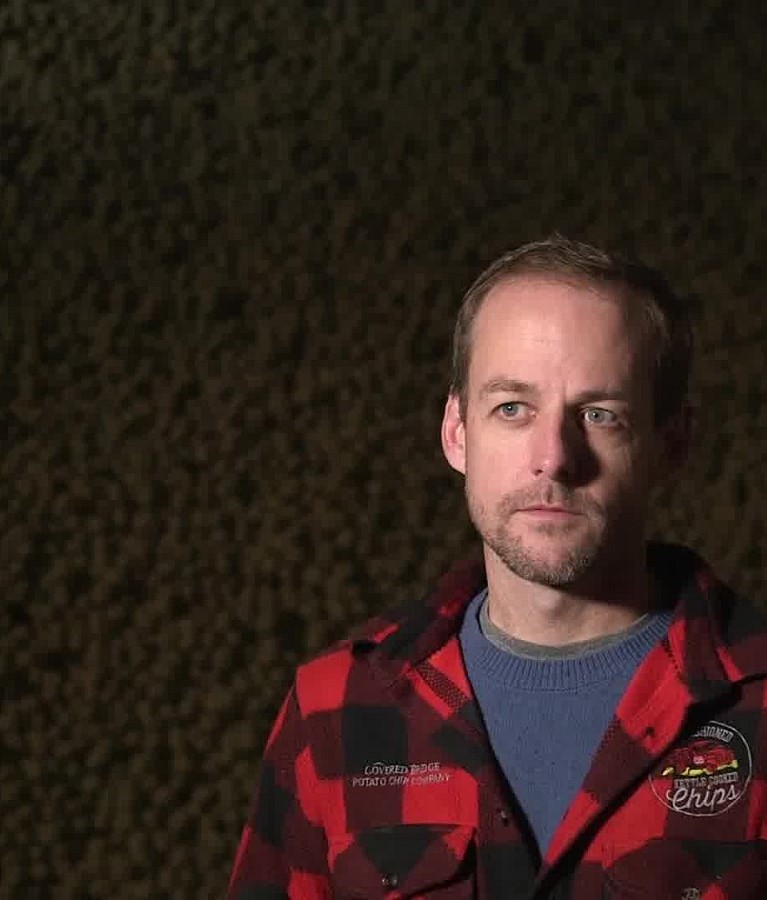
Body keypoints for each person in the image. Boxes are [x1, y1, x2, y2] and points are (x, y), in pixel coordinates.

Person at [227, 236, 767, 898]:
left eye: (600, 415)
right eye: (512, 408)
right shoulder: (336, 707)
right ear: (457, 431)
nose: (552, 458)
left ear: (672, 442)